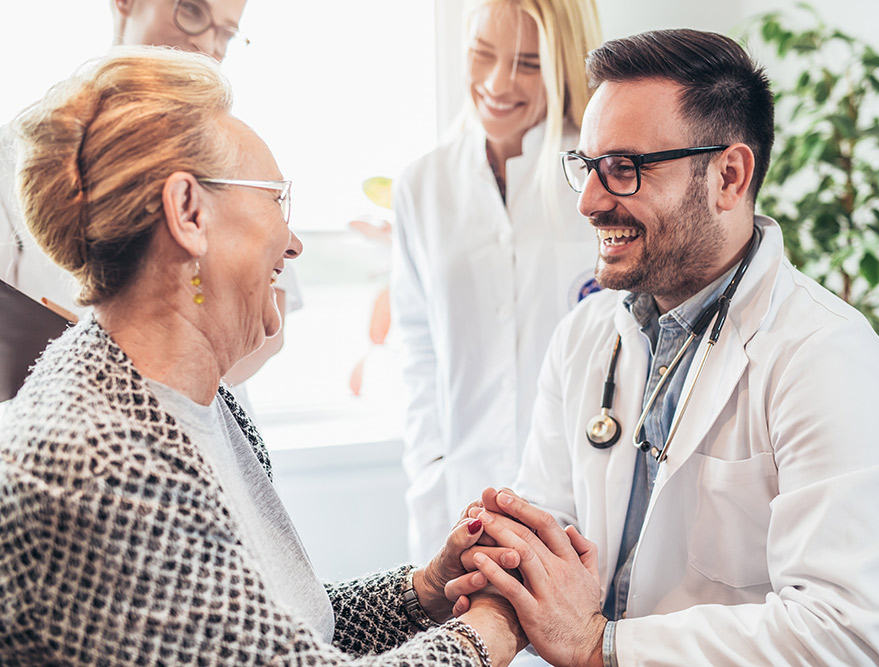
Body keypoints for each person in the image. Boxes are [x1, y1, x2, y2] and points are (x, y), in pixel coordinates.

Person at [0, 47, 522, 666]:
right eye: (278, 199)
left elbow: (269, 635)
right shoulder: (102, 466)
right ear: (189, 214)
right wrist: (488, 630)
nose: (294, 242)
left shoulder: (204, 403)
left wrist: (424, 593)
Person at [452, 29, 879, 665]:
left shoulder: (829, 360)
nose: (590, 201)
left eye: (626, 169)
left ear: (729, 175)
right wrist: (504, 575)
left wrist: (603, 647)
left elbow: (844, 638)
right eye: (588, 167)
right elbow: (547, 522)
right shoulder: (585, 336)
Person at [391, 0, 603, 564]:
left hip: (582, 502)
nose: (497, 82)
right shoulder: (423, 185)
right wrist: (430, 469)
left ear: (564, 64)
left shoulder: (604, 177)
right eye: (482, 54)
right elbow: (418, 353)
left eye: (528, 64)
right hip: (459, 494)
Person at [0, 0, 301, 394]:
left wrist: (182, 388)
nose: (208, 44)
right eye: (191, 10)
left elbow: (267, 319)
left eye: (227, 32)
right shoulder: (21, 156)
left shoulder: (237, 154)